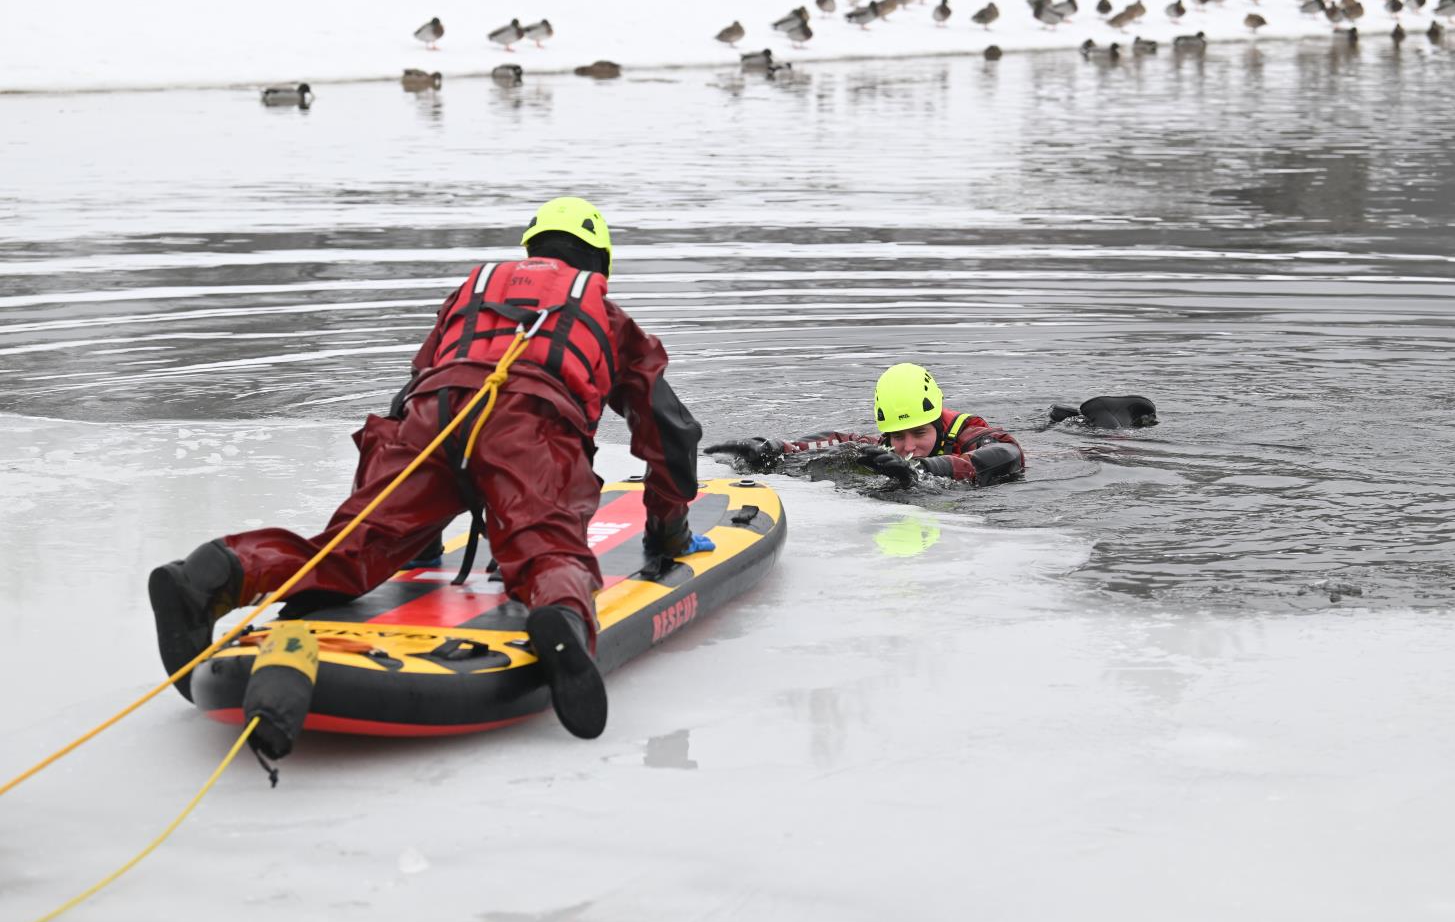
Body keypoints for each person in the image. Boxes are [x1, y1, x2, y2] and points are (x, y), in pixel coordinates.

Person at [147, 197, 704, 741]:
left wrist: (411, 530)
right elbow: (668, 432)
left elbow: (406, 400)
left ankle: (222, 571)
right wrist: (666, 526)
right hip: (529, 426)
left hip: (431, 417)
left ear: (532, 247)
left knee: (351, 548)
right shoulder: (606, 317)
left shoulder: (472, 295)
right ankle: (560, 618)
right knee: (548, 550)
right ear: (601, 262)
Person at [706, 363, 1025, 487]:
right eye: (897, 437)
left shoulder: (969, 433)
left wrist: (925, 469)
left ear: (937, 423)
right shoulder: (887, 446)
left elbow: (1009, 452)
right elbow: (841, 439)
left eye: (919, 433)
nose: (908, 447)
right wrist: (773, 449)